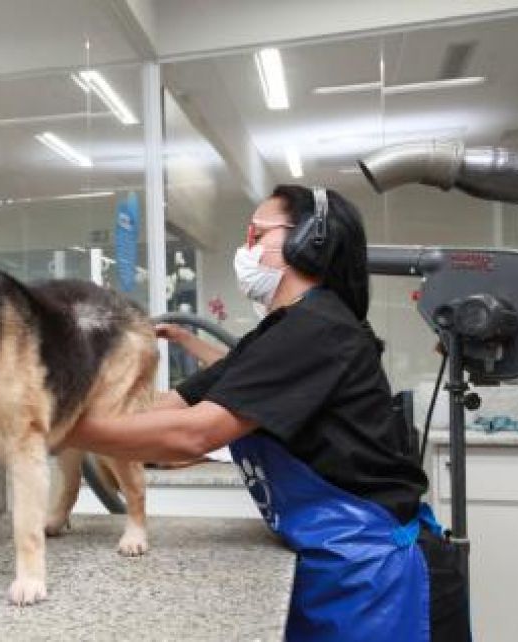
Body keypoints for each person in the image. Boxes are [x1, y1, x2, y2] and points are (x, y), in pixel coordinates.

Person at [61, 185, 472, 641]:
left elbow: (192, 434)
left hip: (380, 578)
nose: (246, 246)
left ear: (307, 241)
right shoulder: (276, 334)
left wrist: (59, 429)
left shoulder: (318, 329)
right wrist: (69, 404)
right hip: (336, 562)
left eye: (257, 233)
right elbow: (169, 407)